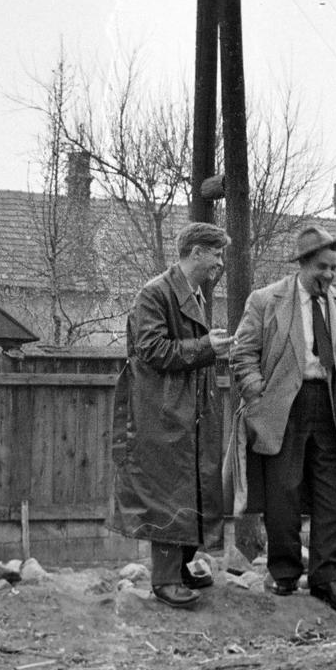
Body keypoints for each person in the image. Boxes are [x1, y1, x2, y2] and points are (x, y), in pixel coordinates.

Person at [230, 226, 336, 615]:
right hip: (282, 408)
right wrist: (259, 396)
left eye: (335, 269)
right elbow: (242, 354)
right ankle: (285, 573)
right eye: (323, 268)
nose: (330, 276)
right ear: (303, 264)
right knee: (283, 492)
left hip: (330, 406)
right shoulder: (266, 300)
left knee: (331, 493)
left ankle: (327, 579)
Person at [112, 222, 233, 608]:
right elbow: (151, 349)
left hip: (188, 411)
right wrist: (206, 345)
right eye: (215, 254)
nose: (219, 263)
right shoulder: (154, 293)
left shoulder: (191, 292)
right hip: (162, 412)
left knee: (190, 487)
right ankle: (164, 581)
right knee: (167, 492)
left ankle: (180, 569)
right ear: (196, 252)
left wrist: (208, 347)